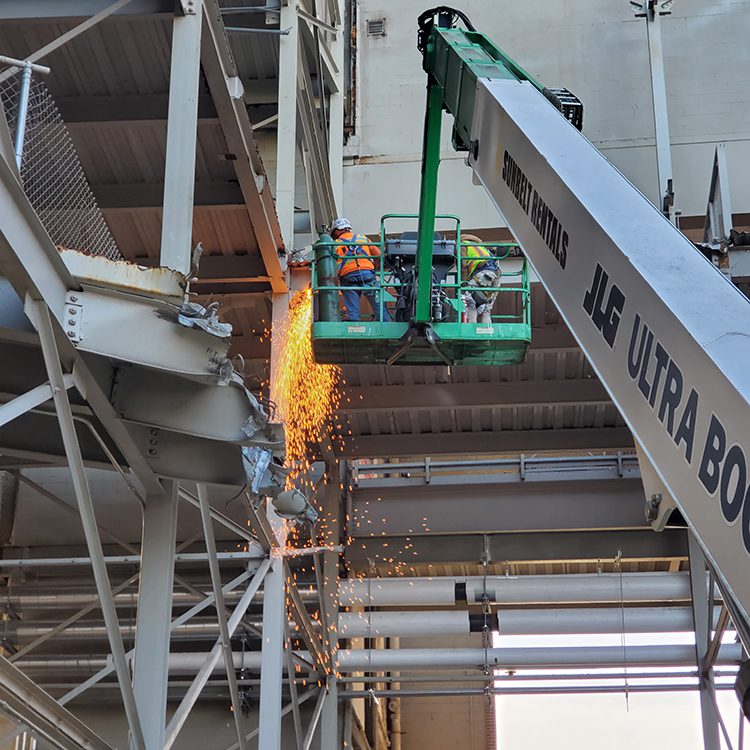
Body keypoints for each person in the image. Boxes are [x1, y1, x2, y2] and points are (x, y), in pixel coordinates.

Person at [330, 217, 391, 322]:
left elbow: (330, 266)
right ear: (348, 228)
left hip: (348, 277)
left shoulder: (334, 244)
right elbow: (380, 256)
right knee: (379, 306)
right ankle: (386, 325)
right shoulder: (363, 238)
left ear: (337, 231)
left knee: (353, 312)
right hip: (367, 275)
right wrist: (372, 268)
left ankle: (354, 328)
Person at [460, 233, 501, 324]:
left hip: (483, 274)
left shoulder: (463, 245)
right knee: (487, 310)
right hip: (496, 276)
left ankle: (471, 328)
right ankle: (486, 335)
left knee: (469, 300)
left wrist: (463, 284)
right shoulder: (482, 247)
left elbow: (463, 266)